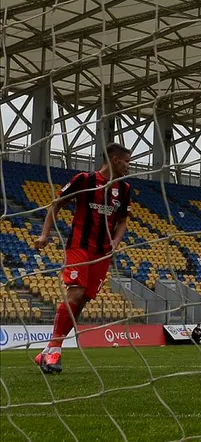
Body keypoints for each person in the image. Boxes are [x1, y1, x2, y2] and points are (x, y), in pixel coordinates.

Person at [33, 143, 132, 374]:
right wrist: (45, 234)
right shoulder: (84, 180)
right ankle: (55, 350)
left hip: (103, 253)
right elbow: (56, 204)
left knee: (82, 301)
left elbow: (123, 221)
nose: (129, 166)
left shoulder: (125, 189)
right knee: (75, 294)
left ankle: (47, 351)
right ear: (115, 159)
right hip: (80, 246)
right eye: (127, 162)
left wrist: (116, 242)